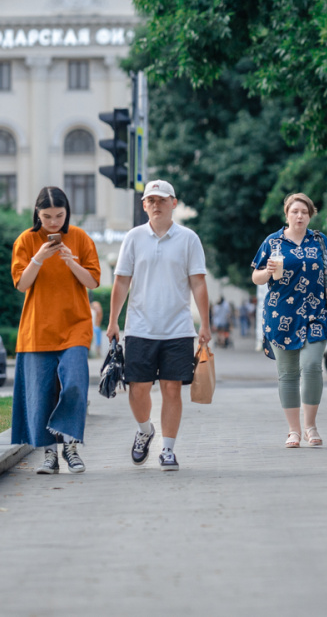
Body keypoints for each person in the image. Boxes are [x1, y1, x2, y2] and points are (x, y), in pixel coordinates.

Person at [107, 180, 212, 471]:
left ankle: (167, 449)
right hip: (139, 328)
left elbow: (198, 283)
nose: (156, 204)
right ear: (144, 205)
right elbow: (122, 281)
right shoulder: (133, 237)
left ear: (173, 203)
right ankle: (144, 430)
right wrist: (113, 320)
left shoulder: (189, 238)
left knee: (171, 389)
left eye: (162, 200)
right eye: (150, 200)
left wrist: (204, 323)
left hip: (178, 329)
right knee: (137, 389)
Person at [10, 187, 101, 475]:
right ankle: (50, 455)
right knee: (42, 393)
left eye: (59, 216)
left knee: (74, 383)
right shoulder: (26, 240)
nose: (53, 222)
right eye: (47, 216)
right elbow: (22, 284)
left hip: (75, 325)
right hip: (37, 329)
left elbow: (93, 281)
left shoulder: (80, 237)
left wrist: (70, 261)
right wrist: (38, 257)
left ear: (67, 213)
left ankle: (70, 446)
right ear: (37, 213)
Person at [251, 192, 327, 449]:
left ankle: (310, 425)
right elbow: (256, 277)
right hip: (281, 315)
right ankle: (293, 431)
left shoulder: (320, 241)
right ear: (287, 214)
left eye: (304, 212)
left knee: (312, 366)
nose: (299, 216)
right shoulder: (273, 242)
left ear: (310, 215)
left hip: (316, 315)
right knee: (288, 374)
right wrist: (266, 271)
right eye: (294, 211)